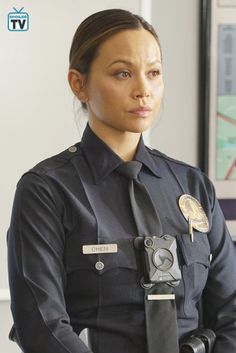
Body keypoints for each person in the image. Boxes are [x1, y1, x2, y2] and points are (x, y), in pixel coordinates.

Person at [7, 8, 236, 353]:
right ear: (78, 83)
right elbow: (42, 327)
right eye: (123, 73)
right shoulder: (46, 190)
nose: (143, 90)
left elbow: (231, 309)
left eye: (154, 72)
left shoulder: (193, 185)